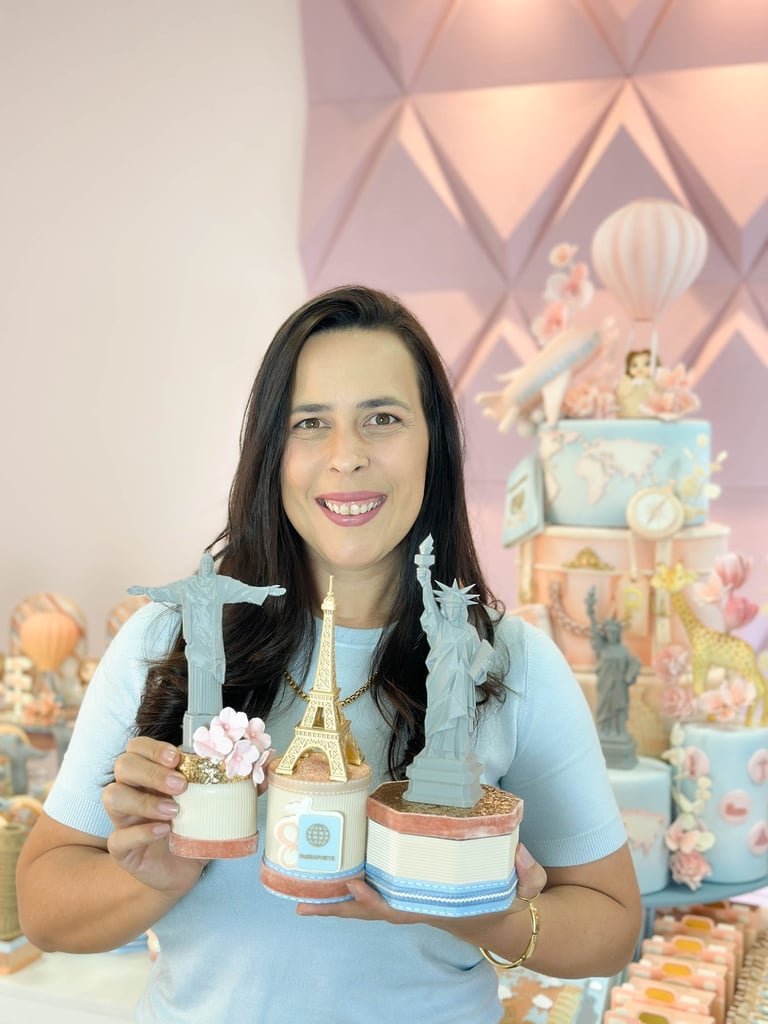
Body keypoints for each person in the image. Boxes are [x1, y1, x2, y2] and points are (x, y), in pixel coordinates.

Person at [17, 285, 641, 1024]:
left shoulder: (509, 660)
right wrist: (160, 876)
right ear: (270, 452)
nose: (347, 457)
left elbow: (611, 927)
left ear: (435, 443)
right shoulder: (168, 639)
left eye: (383, 418)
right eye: (309, 423)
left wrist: (472, 908)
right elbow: (43, 911)